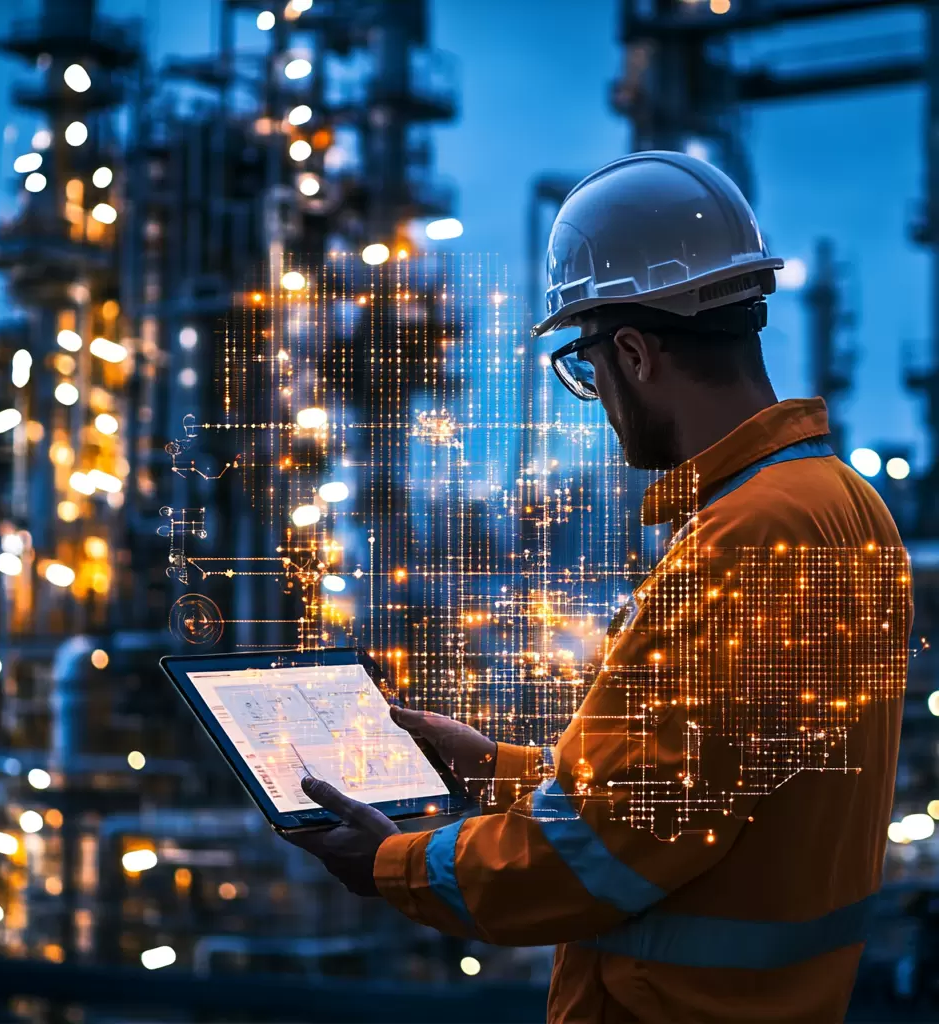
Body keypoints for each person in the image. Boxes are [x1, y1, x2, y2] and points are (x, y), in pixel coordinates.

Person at [290, 152, 910, 1022]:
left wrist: (394, 864)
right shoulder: (848, 506)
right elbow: (692, 786)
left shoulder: (742, 539)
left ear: (633, 352)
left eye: (586, 367)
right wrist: (495, 770)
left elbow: (601, 855)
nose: (598, 398)